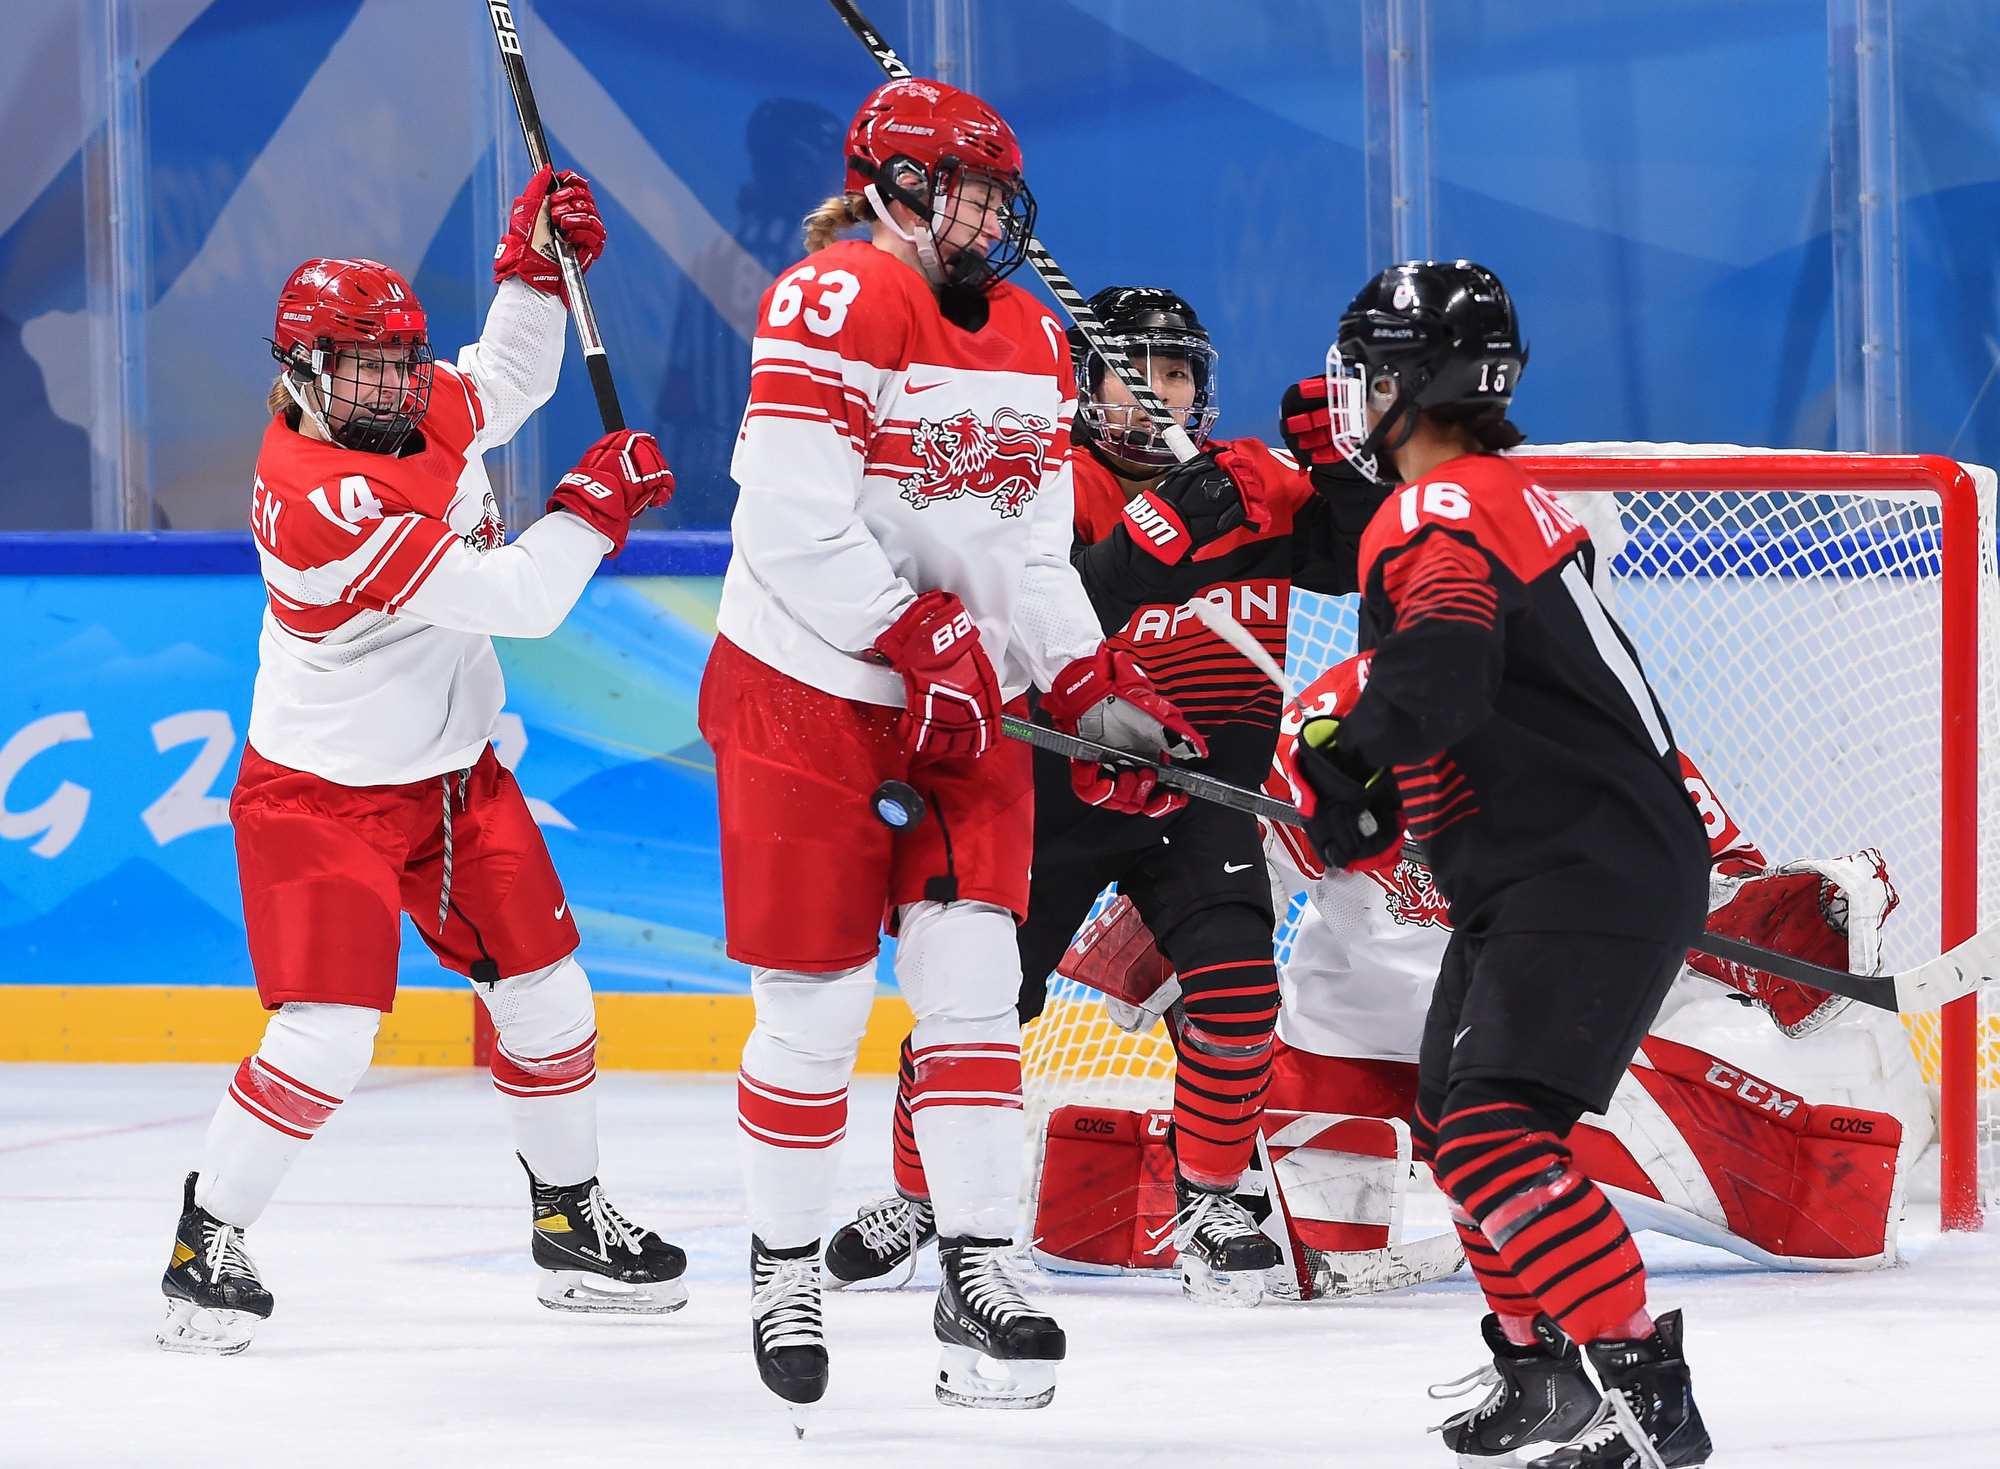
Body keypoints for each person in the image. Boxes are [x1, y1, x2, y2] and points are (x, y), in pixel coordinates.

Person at [700, 79, 1200, 1417]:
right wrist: (912, 631)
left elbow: (1027, 552)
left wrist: (1085, 678)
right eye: (966, 195)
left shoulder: (1031, 335)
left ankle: (979, 1260)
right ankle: (783, 1263)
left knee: (975, 988)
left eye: (995, 198)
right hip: (807, 692)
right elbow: (787, 525)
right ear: (898, 189)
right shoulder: (834, 297)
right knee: (812, 1009)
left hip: (958, 696)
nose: (987, 219)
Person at [156, 169, 685, 1356]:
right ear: (303, 373)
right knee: (328, 1031)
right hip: (320, 800)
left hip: (452, 780)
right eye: (363, 368)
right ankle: (207, 1238)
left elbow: (504, 380)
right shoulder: (321, 497)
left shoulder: (393, 406)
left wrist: (531, 265)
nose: (394, 385)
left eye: (400, 360)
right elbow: (519, 598)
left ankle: (569, 1224)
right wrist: (590, 507)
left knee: (549, 994)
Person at [823, 285, 1388, 1306]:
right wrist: (1140, 547)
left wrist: (1348, 478)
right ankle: (921, 1194)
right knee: (977, 1008)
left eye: (1175, 373)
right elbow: (1031, 611)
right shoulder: (1037, 481)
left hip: (1201, 795)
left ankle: (1209, 1199)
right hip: (1049, 798)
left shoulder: (1249, 481)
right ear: (1084, 388)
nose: (1157, 392)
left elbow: (1357, 563)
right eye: (1134, 373)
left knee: (1238, 993)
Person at [1277, 261, 1716, 1467]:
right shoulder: (1499, 492)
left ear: (1411, 383)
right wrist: (1373, 782)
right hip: (1552, 866)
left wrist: (1344, 757)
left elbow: (1442, 665)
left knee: (1489, 1136)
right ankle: (1540, 1370)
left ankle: (1642, 1392)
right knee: (1450, 1123)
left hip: (1579, 868)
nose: (1354, 396)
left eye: (1370, 373)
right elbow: (1486, 692)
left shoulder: (1435, 509)